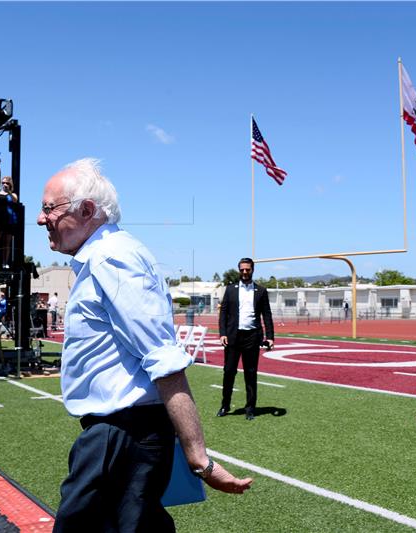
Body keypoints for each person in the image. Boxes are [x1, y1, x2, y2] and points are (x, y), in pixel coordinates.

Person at [37, 158, 251, 531]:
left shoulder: (112, 257)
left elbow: (163, 358)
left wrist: (199, 458)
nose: (42, 220)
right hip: (121, 434)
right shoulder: (105, 256)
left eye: (48, 209)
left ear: (87, 210)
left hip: (121, 436)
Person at [217, 257, 274, 421]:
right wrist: (222, 333)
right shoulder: (230, 289)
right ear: (239, 270)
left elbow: (267, 315)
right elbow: (224, 314)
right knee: (229, 372)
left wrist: (270, 336)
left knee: (250, 373)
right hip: (233, 337)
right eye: (242, 269)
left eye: (247, 269)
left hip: (252, 337)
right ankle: (225, 405)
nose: (244, 272)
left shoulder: (261, 291)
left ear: (252, 270)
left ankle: (250, 408)